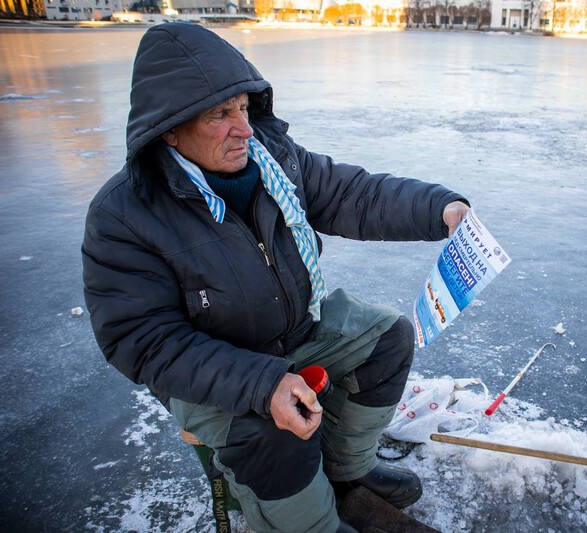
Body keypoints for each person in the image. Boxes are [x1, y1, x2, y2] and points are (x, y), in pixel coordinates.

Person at [82, 23, 470, 533]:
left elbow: (352, 194)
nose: (243, 128)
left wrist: (439, 209)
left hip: (295, 333)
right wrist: (262, 384)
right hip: (214, 374)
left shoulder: (274, 158)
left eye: (243, 107)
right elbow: (143, 341)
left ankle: (346, 472)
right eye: (220, 115)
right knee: (271, 434)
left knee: (387, 338)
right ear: (169, 129)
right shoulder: (124, 214)